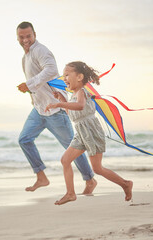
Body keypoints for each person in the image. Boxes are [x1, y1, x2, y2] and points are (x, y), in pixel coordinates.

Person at [16, 21, 97, 193]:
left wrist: (29, 85)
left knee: (72, 147)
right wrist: (32, 96)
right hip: (39, 110)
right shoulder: (26, 57)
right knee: (24, 139)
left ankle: (90, 179)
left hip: (56, 112)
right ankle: (41, 177)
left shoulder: (41, 51)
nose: (25, 40)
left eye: (28, 36)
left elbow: (51, 70)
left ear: (34, 35)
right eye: (21, 37)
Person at [45, 61, 133, 205]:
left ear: (79, 77)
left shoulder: (82, 92)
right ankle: (70, 194)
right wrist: (61, 99)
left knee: (97, 168)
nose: (64, 78)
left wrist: (59, 104)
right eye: (63, 75)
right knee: (65, 160)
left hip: (91, 131)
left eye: (67, 75)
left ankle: (125, 184)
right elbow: (72, 113)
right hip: (80, 132)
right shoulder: (72, 95)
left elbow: (80, 106)